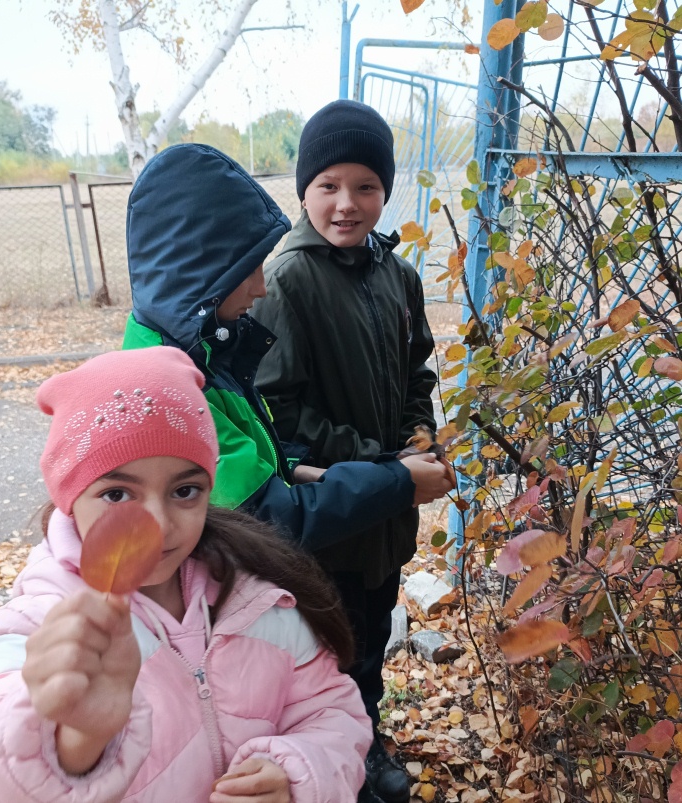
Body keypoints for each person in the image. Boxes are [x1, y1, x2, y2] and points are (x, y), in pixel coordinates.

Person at [0, 347, 373, 803]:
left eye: (185, 490)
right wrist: (75, 740)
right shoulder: (37, 627)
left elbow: (331, 714)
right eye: (117, 494)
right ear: (69, 497)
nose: (157, 522)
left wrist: (296, 773)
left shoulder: (259, 598)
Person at [252, 99, 450, 803]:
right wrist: (381, 463)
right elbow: (281, 414)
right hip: (328, 516)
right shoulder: (287, 281)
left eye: (365, 186)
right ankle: (332, 762)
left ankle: (363, 737)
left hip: (386, 516)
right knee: (327, 651)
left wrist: (417, 438)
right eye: (329, 185)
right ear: (303, 190)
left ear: (385, 190)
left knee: (373, 631)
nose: (347, 203)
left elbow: (416, 373)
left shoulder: (398, 278)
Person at [121, 143, 452, 561]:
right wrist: (395, 482)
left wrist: (303, 470)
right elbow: (263, 515)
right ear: (202, 273)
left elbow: (259, 457)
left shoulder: (204, 352)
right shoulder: (169, 389)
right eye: (248, 270)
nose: (260, 288)